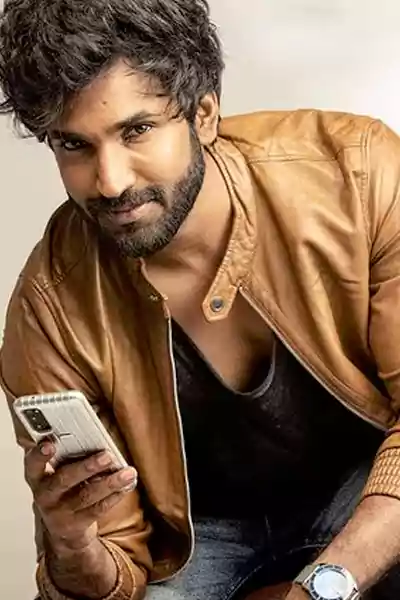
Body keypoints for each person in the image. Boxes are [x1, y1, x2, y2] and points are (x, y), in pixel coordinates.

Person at [1, 1, 400, 600]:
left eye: (136, 130)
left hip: (366, 483)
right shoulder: (48, 309)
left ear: (204, 113)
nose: (110, 181)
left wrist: (321, 587)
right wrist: (73, 544)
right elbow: (112, 571)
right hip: (193, 543)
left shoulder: (357, 175)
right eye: (74, 145)